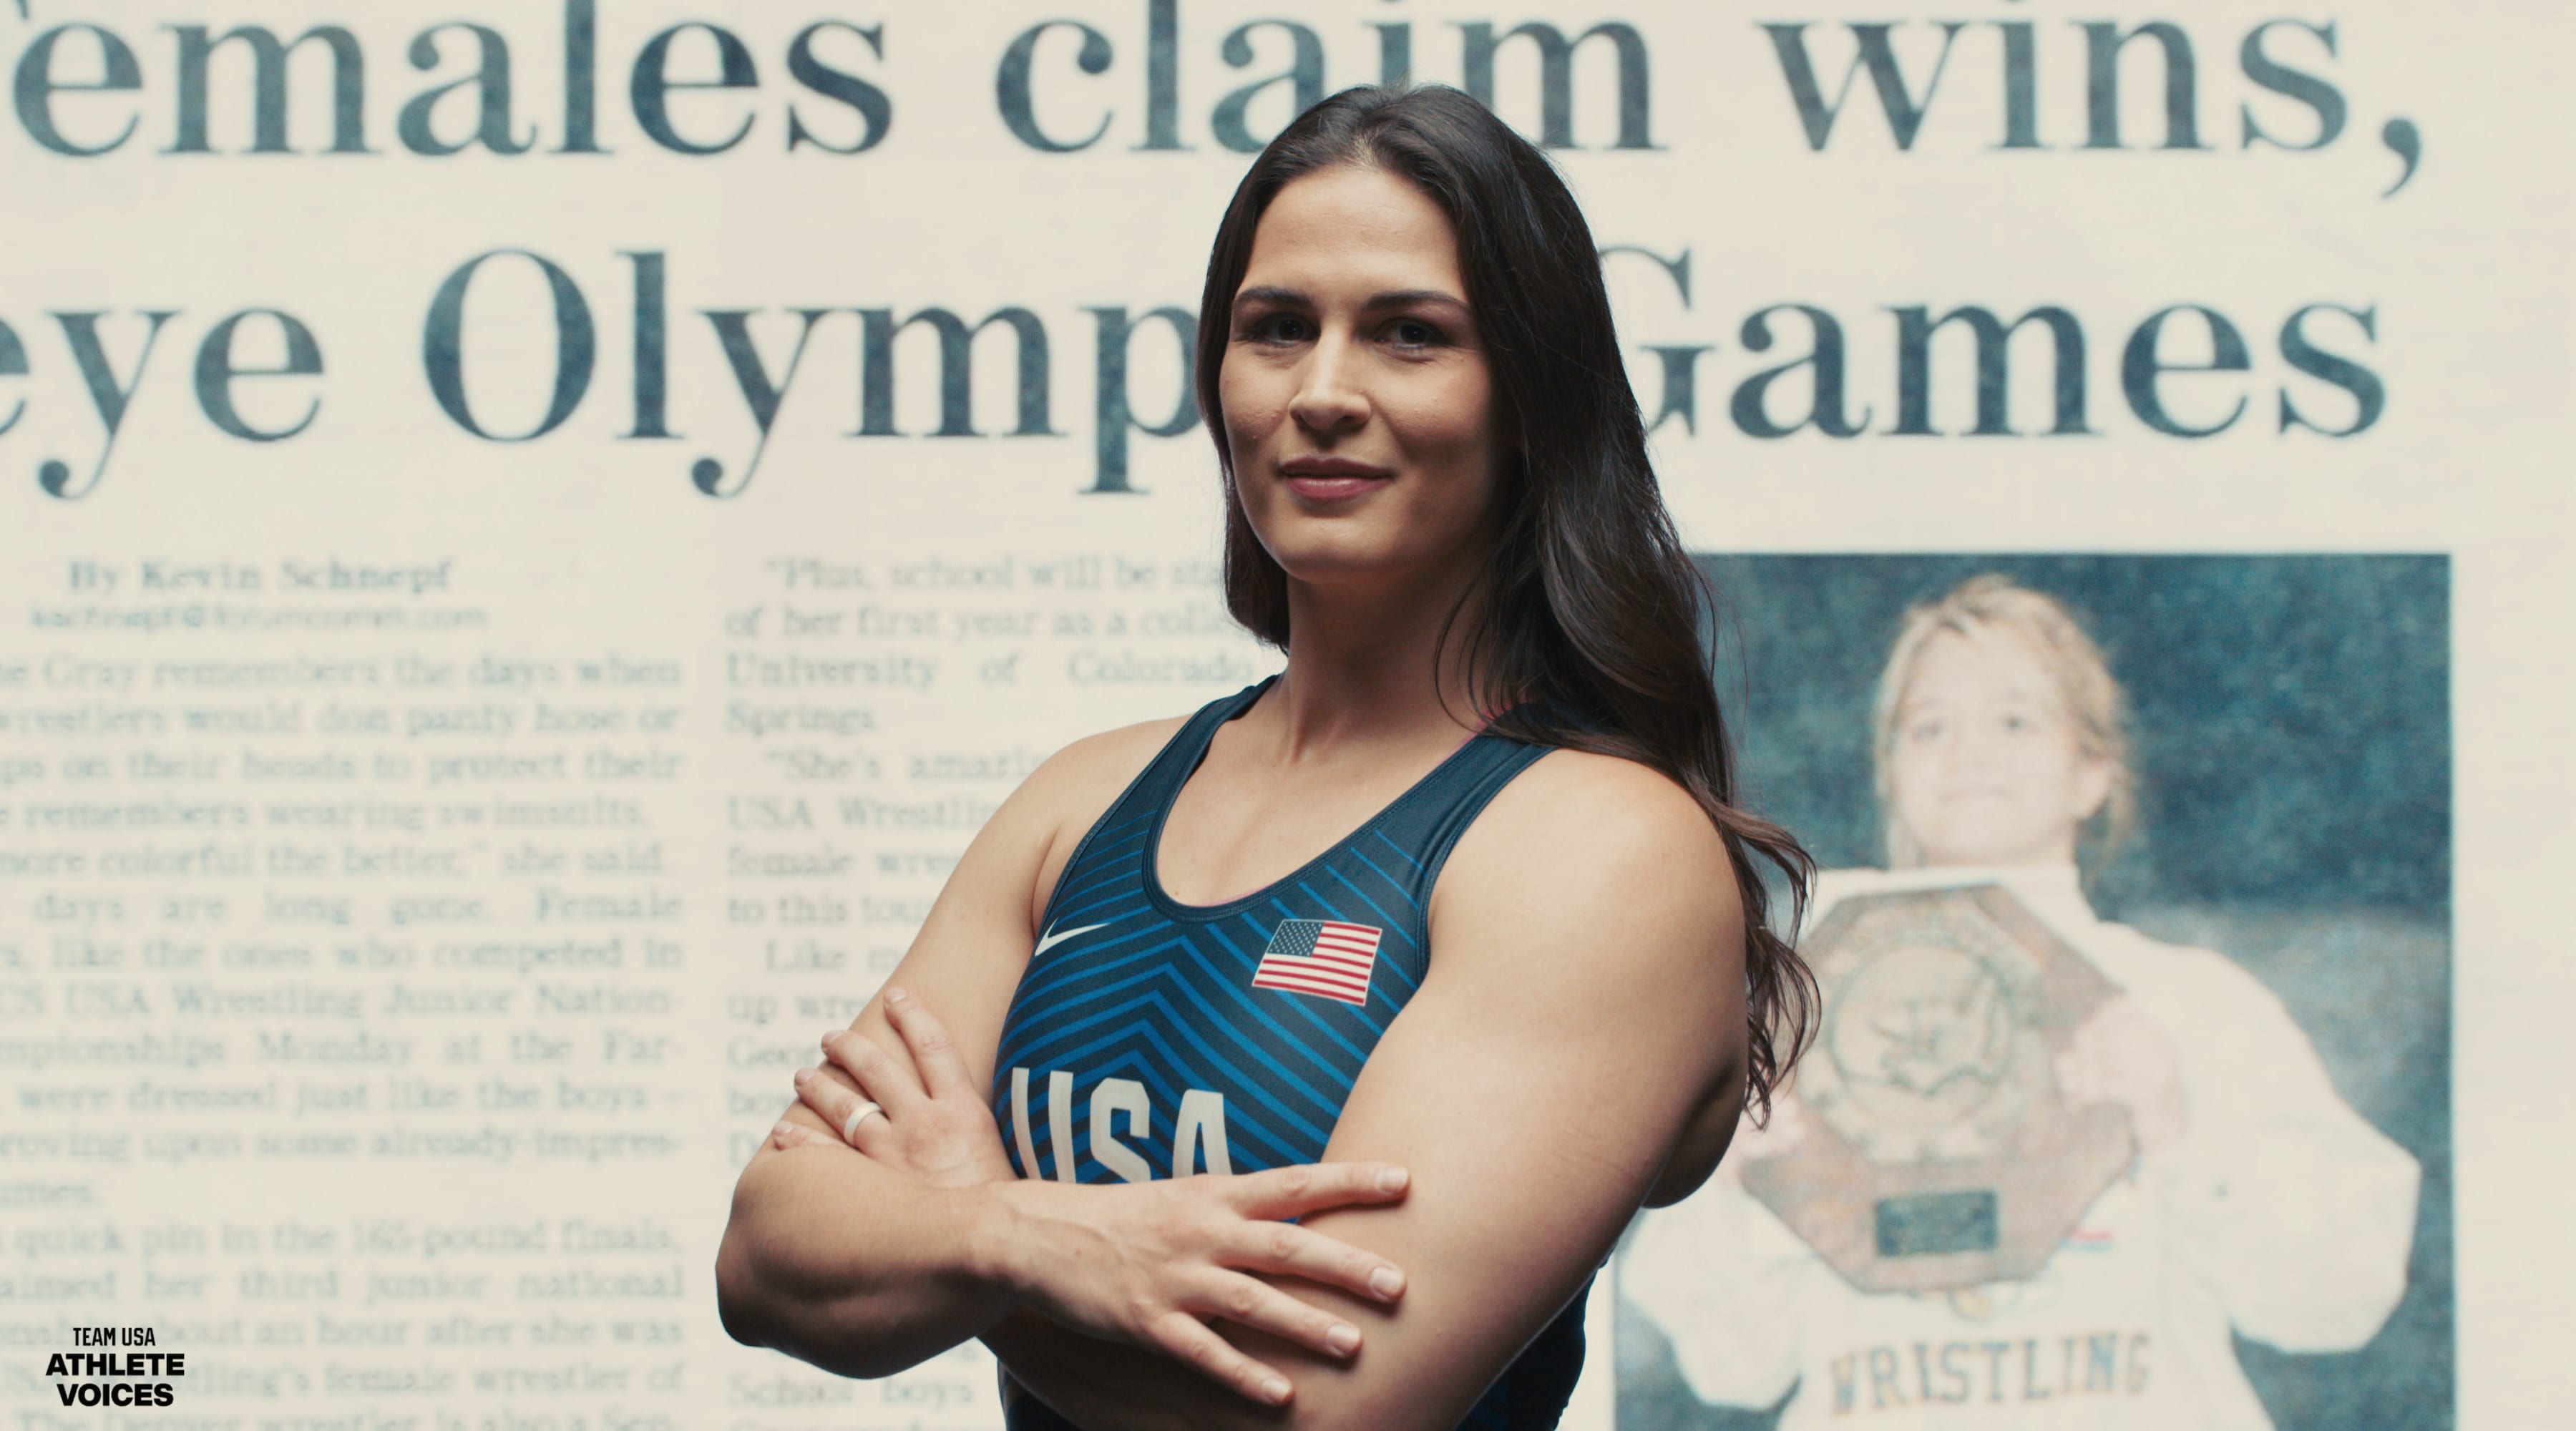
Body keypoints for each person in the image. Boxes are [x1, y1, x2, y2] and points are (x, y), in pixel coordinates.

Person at [713, 84, 1818, 1431]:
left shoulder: (1598, 851)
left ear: (1527, 398)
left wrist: (951, 1218)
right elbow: (768, 1253)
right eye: (1276, 330)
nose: (1324, 393)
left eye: (1411, 336)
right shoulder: (1084, 800)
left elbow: (1307, 1402)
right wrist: (1026, 1241)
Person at [1620, 573, 2422, 1430]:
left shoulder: (2192, 1004)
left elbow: (2336, 1302)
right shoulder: (1802, 1012)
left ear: (2093, 772)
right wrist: (1749, 1180)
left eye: (2015, 719)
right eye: (1929, 727)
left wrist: (2179, 1129)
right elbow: (1730, 1366)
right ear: (1892, 778)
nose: (1970, 750)